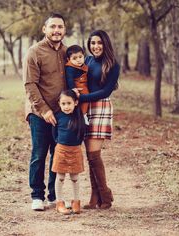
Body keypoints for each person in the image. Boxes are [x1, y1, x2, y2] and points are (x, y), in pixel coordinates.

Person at [23, 13, 67, 211]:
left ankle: (53, 194)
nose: (56, 30)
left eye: (60, 27)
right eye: (53, 27)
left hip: (62, 113)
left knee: (57, 154)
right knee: (39, 153)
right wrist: (44, 110)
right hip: (38, 112)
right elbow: (30, 85)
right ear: (45, 29)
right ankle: (37, 195)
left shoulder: (68, 52)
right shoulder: (34, 52)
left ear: (64, 30)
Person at [76, 30, 120, 209]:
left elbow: (106, 91)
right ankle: (95, 197)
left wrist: (81, 98)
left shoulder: (113, 64)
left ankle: (105, 196)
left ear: (106, 44)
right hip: (86, 108)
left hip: (101, 106)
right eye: (93, 43)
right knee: (89, 155)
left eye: (99, 43)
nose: (96, 46)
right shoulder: (87, 60)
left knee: (94, 155)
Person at [51, 90, 85, 214]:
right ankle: (59, 202)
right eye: (63, 103)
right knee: (60, 176)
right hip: (61, 149)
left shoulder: (79, 116)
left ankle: (76, 201)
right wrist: (59, 142)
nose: (66, 107)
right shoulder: (57, 116)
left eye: (69, 103)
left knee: (75, 177)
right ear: (59, 104)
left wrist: (76, 145)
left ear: (75, 103)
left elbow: (82, 133)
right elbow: (54, 133)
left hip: (75, 150)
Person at [65, 45, 89, 124]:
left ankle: (83, 114)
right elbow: (69, 79)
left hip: (83, 85)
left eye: (80, 57)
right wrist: (74, 89)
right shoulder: (70, 68)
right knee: (85, 98)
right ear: (69, 59)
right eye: (74, 58)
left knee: (84, 100)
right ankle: (83, 115)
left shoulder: (84, 66)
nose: (78, 60)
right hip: (77, 87)